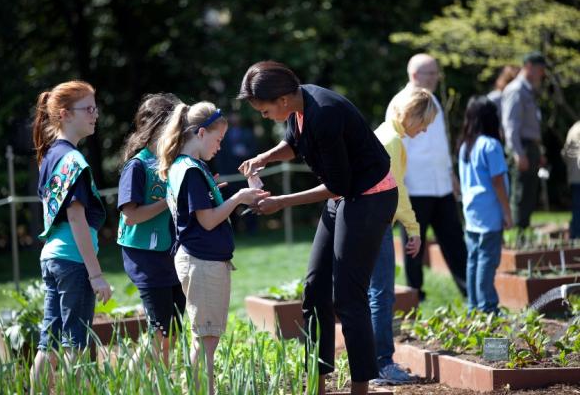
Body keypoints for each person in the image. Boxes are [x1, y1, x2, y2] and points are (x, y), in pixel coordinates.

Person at [238, 60, 398, 395]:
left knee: (348, 297)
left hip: (369, 197)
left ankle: (360, 387)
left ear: (282, 100)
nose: (264, 117)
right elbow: (294, 144)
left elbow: (338, 185)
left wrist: (280, 202)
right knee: (315, 290)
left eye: (264, 111)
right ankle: (318, 383)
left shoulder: (323, 111)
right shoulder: (299, 105)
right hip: (344, 195)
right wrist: (264, 158)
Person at [157, 101, 268, 395]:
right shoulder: (192, 170)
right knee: (206, 340)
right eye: (218, 140)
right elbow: (206, 222)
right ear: (201, 133)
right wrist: (239, 198)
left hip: (198, 260)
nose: (220, 147)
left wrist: (216, 197)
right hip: (202, 262)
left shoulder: (186, 166)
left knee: (203, 337)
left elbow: (196, 211)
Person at [30, 81, 112, 393]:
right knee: (76, 343)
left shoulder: (50, 155)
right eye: (88, 109)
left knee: (47, 342)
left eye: (95, 108)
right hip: (73, 260)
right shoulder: (73, 161)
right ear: (64, 114)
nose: (95, 115)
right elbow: (76, 217)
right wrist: (96, 274)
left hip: (51, 256)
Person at [369, 88, 438, 385]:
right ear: (411, 115)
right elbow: (396, 191)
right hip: (377, 223)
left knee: (373, 294)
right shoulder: (393, 141)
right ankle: (382, 364)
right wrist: (414, 228)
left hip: (365, 221)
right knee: (382, 296)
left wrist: (412, 227)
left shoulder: (383, 133)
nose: (423, 130)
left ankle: (369, 363)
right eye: (423, 123)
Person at [386, 53, 467, 300]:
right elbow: (396, 147)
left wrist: (451, 175)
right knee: (414, 245)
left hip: (441, 186)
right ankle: (415, 295)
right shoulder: (400, 102)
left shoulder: (433, 101)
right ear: (413, 75)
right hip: (414, 187)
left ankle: (470, 292)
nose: (434, 78)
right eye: (429, 73)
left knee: (454, 240)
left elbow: (441, 144)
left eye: (435, 73)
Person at [117, 93, 186, 367]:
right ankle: (131, 382)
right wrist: (168, 201)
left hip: (171, 255)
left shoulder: (174, 162)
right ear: (159, 125)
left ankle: (159, 381)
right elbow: (131, 216)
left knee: (174, 330)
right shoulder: (137, 165)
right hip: (146, 258)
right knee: (160, 332)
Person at [458, 96, 512, 313]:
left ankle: (473, 305)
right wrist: (507, 213)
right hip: (489, 211)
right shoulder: (491, 145)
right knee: (488, 261)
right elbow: (497, 182)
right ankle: (487, 306)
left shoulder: (465, 146)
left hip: (471, 211)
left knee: (473, 259)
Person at [501, 51, 547, 230]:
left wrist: (539, 151)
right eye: (540, 69)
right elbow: (510, 125)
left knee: (529, 194)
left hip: (531, 147)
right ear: (529, 66)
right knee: (520, 195)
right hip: (522, 147)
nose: (542, 74)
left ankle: (524, 231)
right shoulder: (516, 90)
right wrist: (518, 153)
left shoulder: (529, 90)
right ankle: (517, 234)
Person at [562, 121, 580, 239]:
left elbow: (565, 154)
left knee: (577, 208)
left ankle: (575, 235)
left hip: (574, 176)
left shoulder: (574, 128)